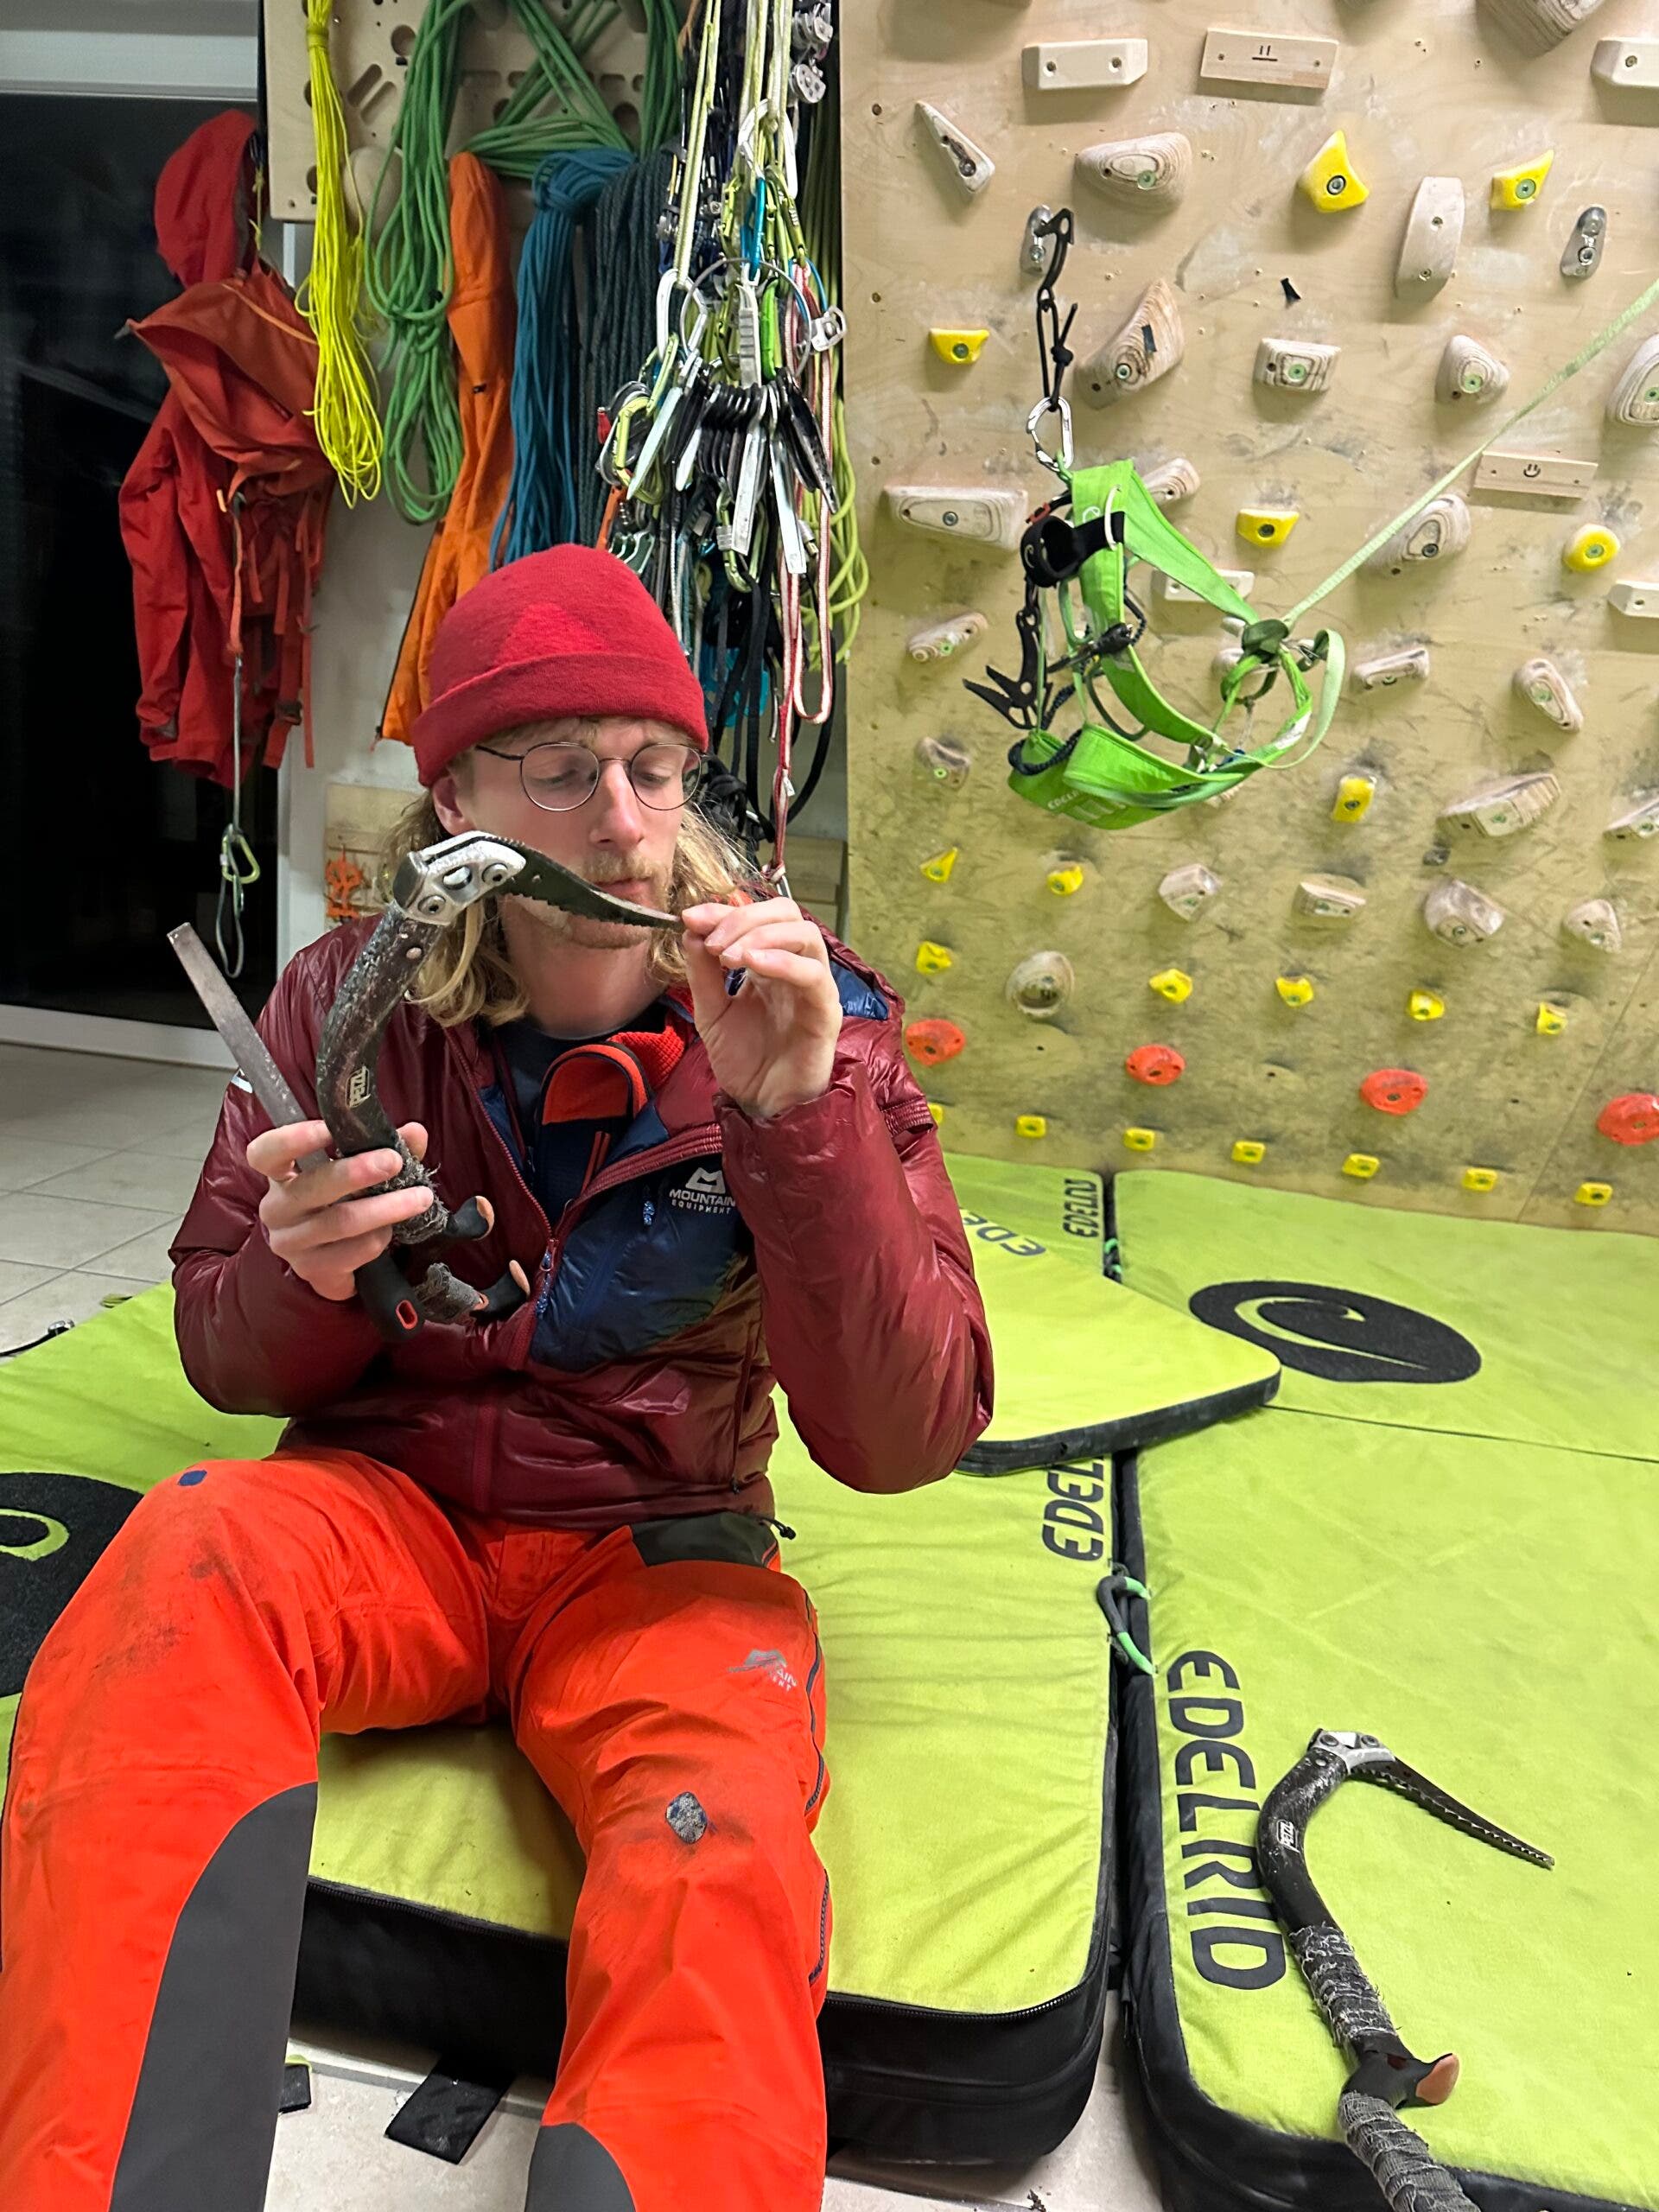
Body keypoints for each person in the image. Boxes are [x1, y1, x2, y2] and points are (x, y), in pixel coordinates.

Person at [0, 544, 994, 2212]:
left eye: (654, 768)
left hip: (653, 1544)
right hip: (384, 1513)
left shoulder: (826, 1028)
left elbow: (905, 1438)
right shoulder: (340, 998)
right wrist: (295, 1281)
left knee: (716, 1842)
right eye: (557, 771)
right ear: (452, 793)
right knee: (179, 1558)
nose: (621, 818)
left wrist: (797, 1123)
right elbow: (219, 1349)